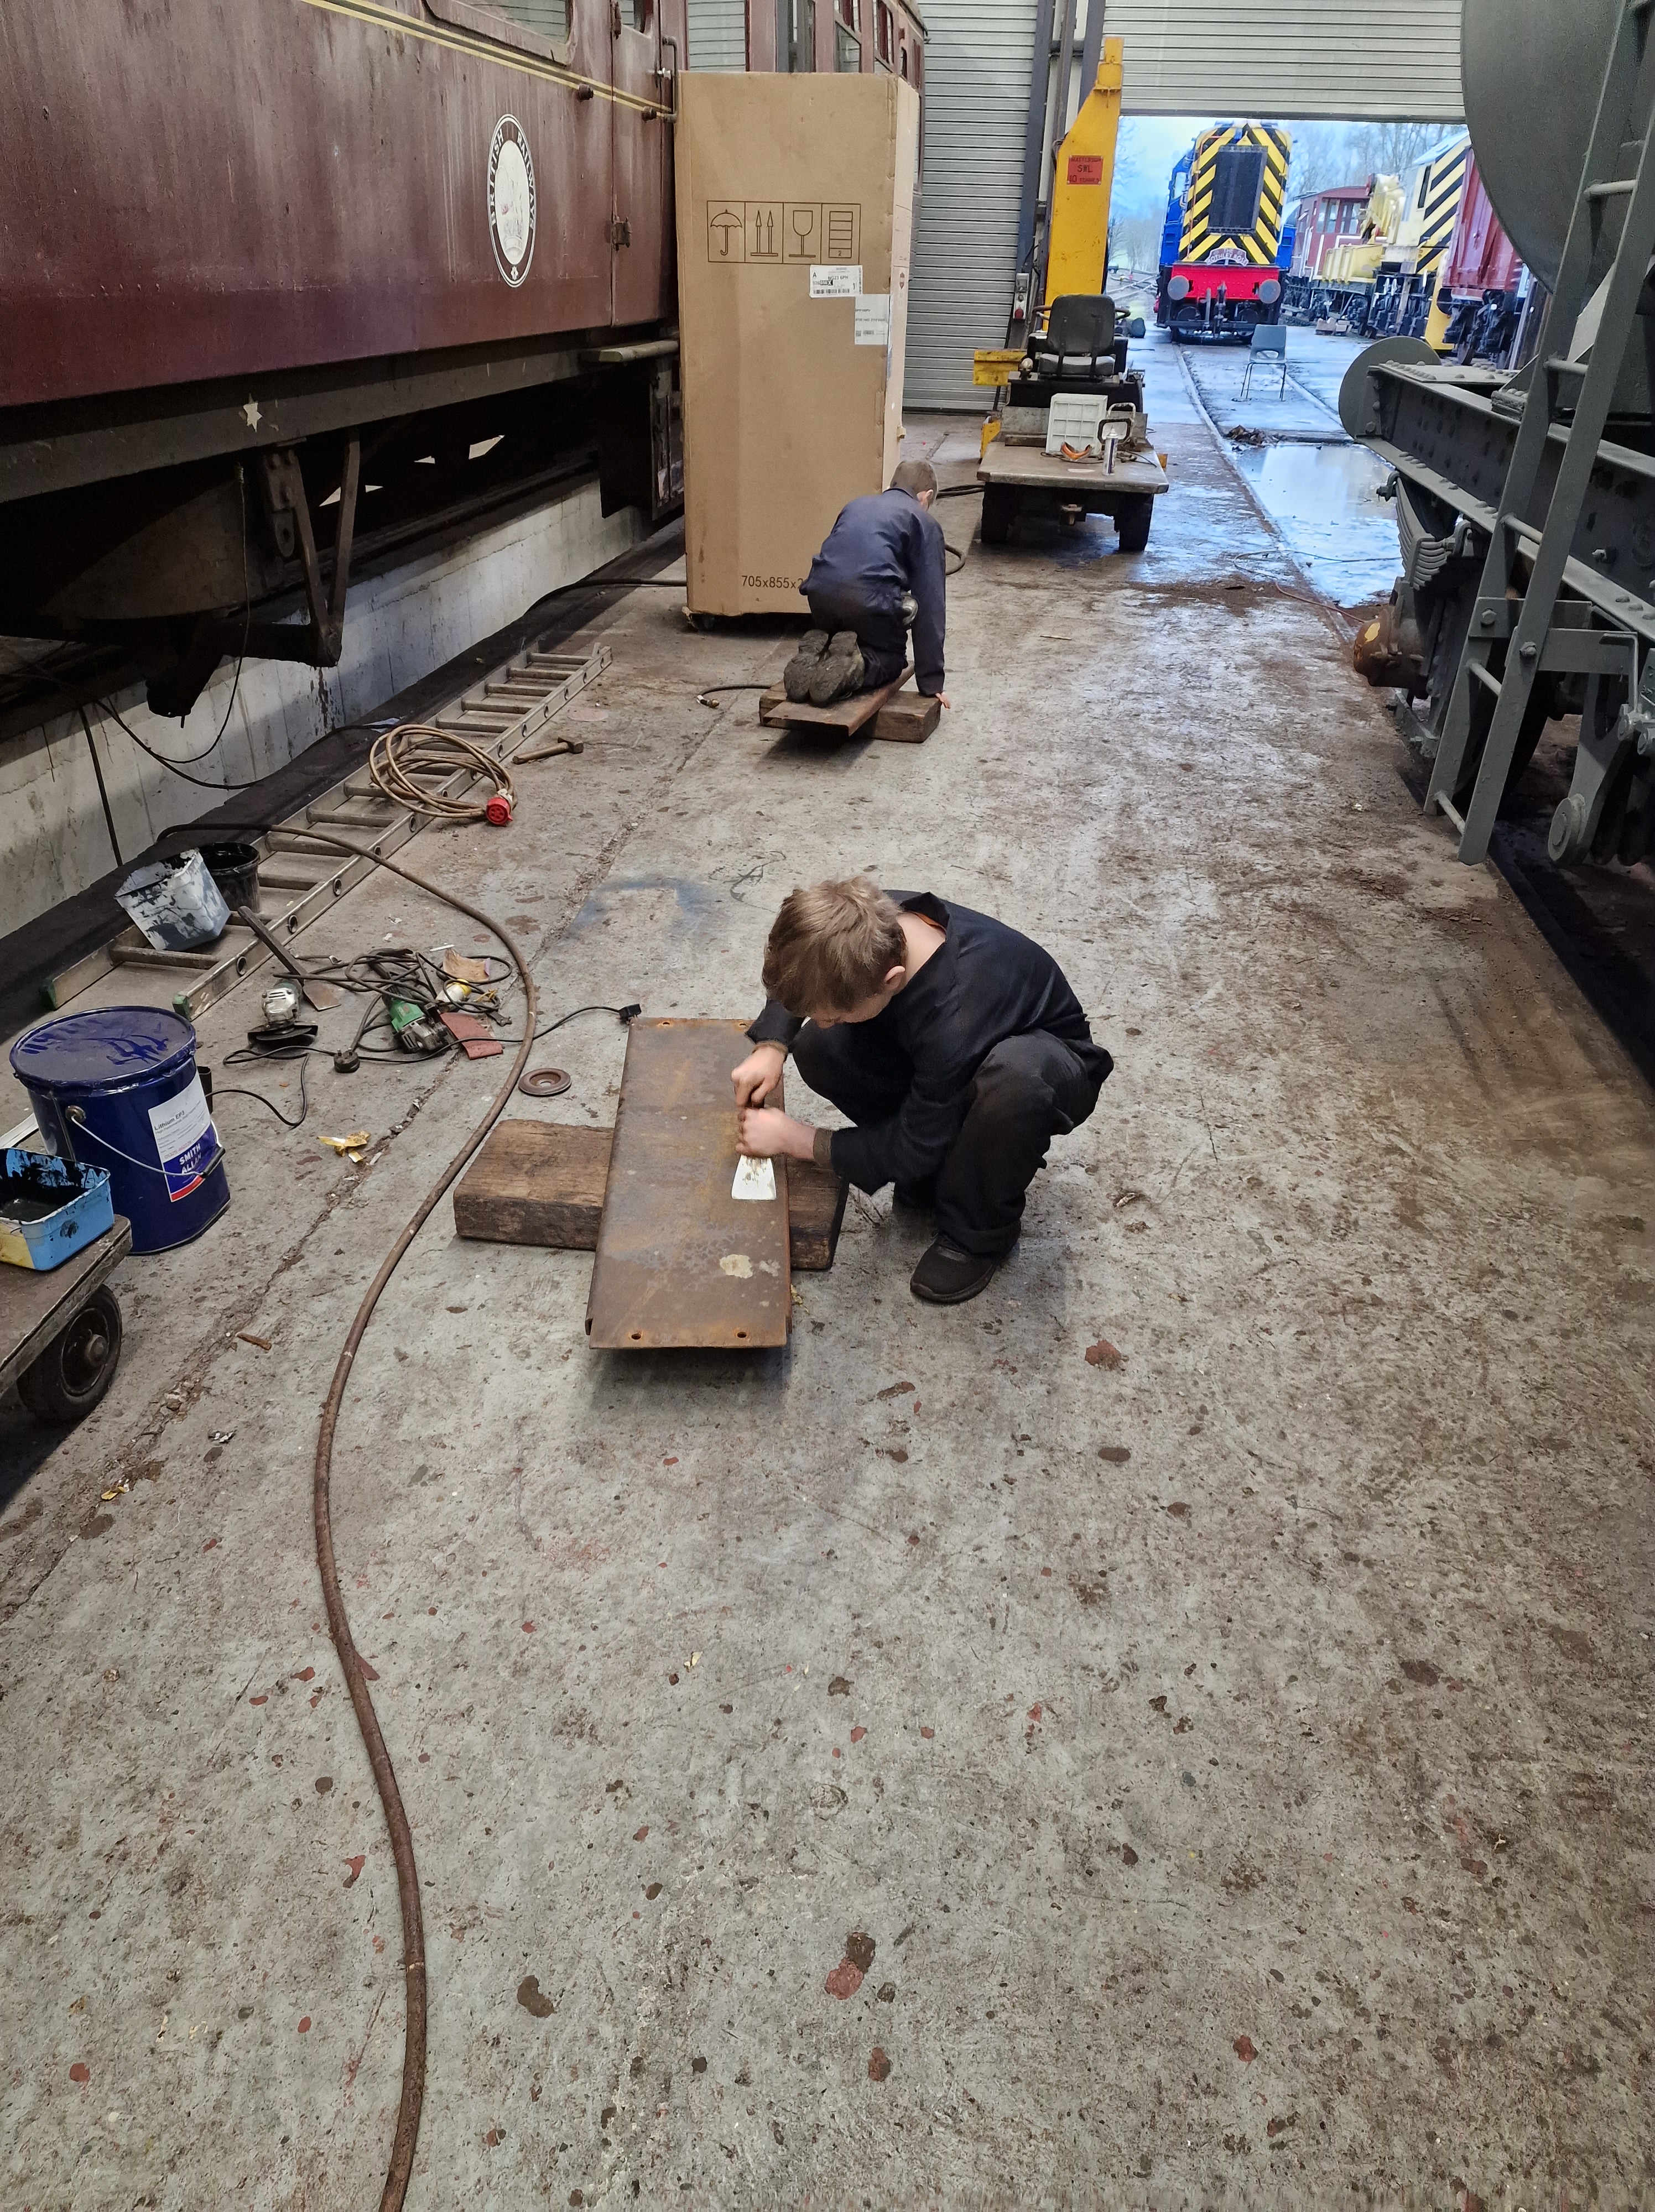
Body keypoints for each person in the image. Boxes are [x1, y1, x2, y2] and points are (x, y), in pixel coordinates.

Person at [731, 878, 1111, 1304]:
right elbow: (807, 958)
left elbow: (916, 1145)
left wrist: (798, 1140)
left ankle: (977, 1234)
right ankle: (937, 1173)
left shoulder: (956, 1019)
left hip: (1048, 1064)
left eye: (833, 1014)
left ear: (892, 980)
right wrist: (772, 1045)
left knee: (1012, 1087)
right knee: (821, 1046)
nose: (823, 1020)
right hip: (957, 1050)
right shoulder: (869, 920)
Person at [783, 459, 951, 710]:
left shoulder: (855, 505)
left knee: (846, 639)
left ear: (892, 486)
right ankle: (857, 666)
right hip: (867, 602)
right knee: (891, 658)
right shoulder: (924, 521)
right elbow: (931, 602)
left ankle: (820, 655)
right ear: (925, 496)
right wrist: (932, 681)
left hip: (819, 596)